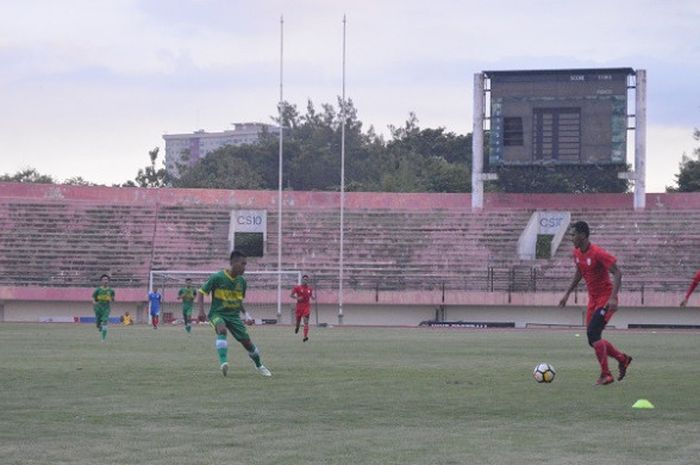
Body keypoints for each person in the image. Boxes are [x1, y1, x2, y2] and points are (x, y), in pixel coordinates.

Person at [558, 221, 632, 385]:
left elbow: (618, 273)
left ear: (583, 235)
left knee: (593, 333)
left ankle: (606, 374)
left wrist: (613, 297)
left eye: (574, 234)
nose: (571, 238)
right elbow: (579, 273)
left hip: (605, 298)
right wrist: (567, 294)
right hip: (593, 300)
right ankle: (622, 358)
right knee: (593, 339)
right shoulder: (576, 253)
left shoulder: (598, 253)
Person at [197, 250, 271, 377]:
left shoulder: (242, 282)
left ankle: (259, 365)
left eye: (245, 264)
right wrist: (201, 311)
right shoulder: (217, 277)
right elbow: (201, 292)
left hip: (234, 317)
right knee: (222, 329)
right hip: (217, 314)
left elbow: (238, 301)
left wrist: (246, 315)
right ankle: (224, 363)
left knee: (247, 343)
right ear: (233, 263)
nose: (244, 267)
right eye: (242, 264)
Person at [290, 274, 314, 342]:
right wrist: (297, 298)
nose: (305, 280)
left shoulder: (310, 289)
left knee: (306, 322)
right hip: (299, 307)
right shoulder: (297, 288)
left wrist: (313, 298)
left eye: (306, 279)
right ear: (302, 280)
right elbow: (291, 295)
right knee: (298, 322)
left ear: (308, 280)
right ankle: (297, 327)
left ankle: (305, 337)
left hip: (306, 306)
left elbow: (311, 296)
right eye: (304, 279)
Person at [92, 274, 115, 341]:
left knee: (105, 321)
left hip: (106, 308)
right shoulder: (98, 290)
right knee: (98, 325)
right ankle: (99, 326)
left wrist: (111, 299)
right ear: (101, 281)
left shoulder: (111, 291)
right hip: (98, 308)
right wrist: (94, 303)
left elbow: (113, 299)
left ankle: (103, 339)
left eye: (107, 279)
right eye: (104, 279)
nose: (105, 281)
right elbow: (93, 298)